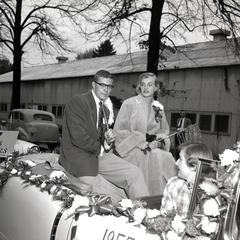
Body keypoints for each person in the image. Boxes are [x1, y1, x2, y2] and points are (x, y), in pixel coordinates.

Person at [58, 70, 149, 204]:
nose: (106, 90)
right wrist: (102, 146)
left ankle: (148, 215)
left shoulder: (106, 109)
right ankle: (133, 215)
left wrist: (107, 141)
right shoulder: (78, 102)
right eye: (102, 85)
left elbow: (102, 140)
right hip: (79, 159)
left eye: (109, 86)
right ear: (93, 85)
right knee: (116, 197)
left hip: (99, 156)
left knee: (135, 173)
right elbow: (79, 138)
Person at [113, 72, 177, 196]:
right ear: (139, 87)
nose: (146, 88)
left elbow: (164, 131)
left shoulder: (158, 107)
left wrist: (157, 142)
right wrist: (142, 143)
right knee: (155, 156)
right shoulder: (129, 103)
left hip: (152, 147)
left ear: (156, 88)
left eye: (150, 85)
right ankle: (149, 197)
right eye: (143, 85)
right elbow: (119, 131)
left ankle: (174, 193)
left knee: (166, 156)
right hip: (131, 149)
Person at [160, 143, 214, 217]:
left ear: (194, 166)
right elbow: (164, 215)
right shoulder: (173, 184)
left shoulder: (210, 191)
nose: (176, 163)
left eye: (180, 159)